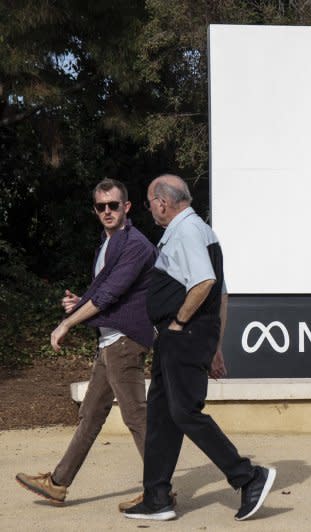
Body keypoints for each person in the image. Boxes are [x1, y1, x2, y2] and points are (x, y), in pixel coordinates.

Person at [123, 174, 275, 522]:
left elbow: (205, 282)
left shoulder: (188, 231)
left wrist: (178, 322)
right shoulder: (197, 231)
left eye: (149, 203)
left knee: (184, 412)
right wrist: (214, 344)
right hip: (185, 337)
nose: (151, 211)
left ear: (162, 202)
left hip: (183, 335)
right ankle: (156, 497)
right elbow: (221, 292)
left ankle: (248, 476)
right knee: (162, 416)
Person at [15, 178, 157, 508]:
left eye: (113, 205)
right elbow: (106, 293)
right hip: (109, 343)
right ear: (95, 210)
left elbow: (108, 295)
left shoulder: (135, 244)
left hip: (124, 342)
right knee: (90, 416)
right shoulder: (107, 246)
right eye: (101, 206)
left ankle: (159, 489)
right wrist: (81, 303)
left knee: (136, 418)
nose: (107, 211)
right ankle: (58, 483)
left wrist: (67, 321)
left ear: (127, 207)